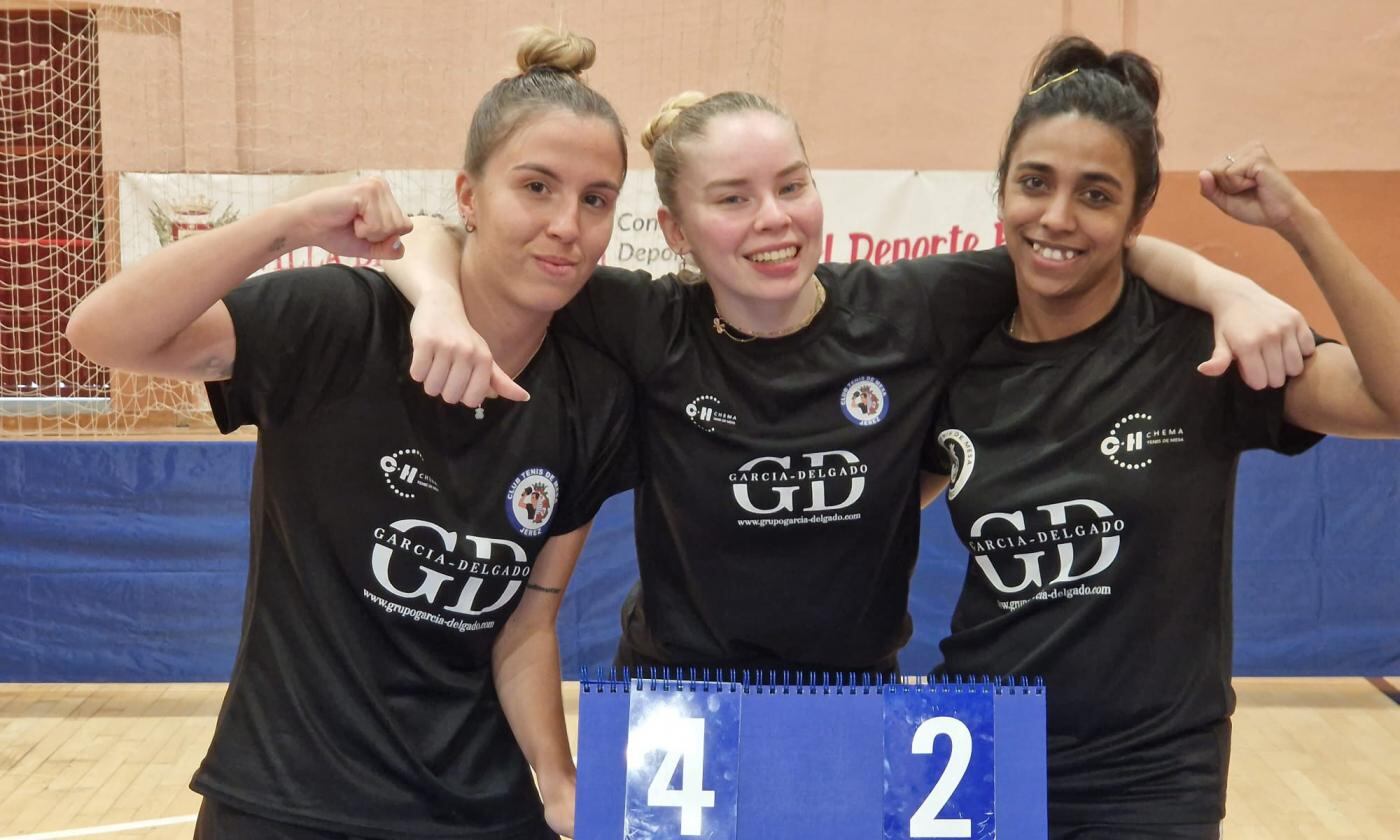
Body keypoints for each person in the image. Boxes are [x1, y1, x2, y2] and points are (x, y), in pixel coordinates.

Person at [387, 88, 1312, 677]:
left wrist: (1231, 289)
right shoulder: (643, 320)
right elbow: (438, 235)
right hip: (675, 687)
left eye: (792, 185)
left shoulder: (917, 306)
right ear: (674, 232)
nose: (773, 219)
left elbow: (1084, 242)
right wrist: (434, 303)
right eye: (734, 198)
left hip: (852, 688)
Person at [65, 28, 635, 840]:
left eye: (596, 199)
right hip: (286, 799)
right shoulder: (339, 324)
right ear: (467, 196)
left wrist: (557, 778)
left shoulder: (593, 394)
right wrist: (287, 222)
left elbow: (527, 624)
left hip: (482, 808)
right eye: (536, 187)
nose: (567, 225)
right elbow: (103, 334)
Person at [928, 36, 1400, 839]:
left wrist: (1300, 223)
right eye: (1034, 183)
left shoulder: (1203, 347)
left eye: (1097, 194)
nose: (1057, 217)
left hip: (1147, 776)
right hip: (967, 749)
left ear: (1137, 215)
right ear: (1000, 186)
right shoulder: (953, 341)